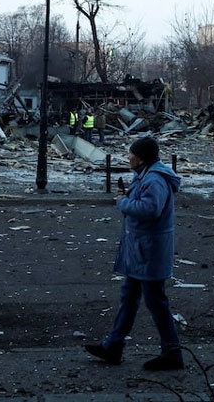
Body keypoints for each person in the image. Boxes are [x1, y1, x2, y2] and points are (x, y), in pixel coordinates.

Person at [85, 136, 184, 371]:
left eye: (131, 154)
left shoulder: (154, 180)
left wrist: (122, 202)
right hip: (141, 251)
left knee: (155, 301)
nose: (128, 157)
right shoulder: (145, 176)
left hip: (149, 252)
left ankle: (172, 352)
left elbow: (150, 209)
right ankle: (113, 346)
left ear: (140, 158)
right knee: (129, 298)